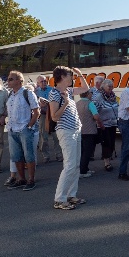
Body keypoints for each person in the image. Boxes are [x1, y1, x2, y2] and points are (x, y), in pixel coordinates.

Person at [49, 66, 89, 210]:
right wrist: (65, 102)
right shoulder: (54, 93)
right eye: (70, 75)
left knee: (76, 165)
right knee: (70, 165)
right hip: (66, 132)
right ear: (61, 77)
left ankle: (71, 195)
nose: (72, 77)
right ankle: (59, 199)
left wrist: (80, 74)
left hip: (75, 130)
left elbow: (85, 88)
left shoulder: (69, 91)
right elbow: (54, 116)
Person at [5, 71, 40, 191]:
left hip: (24, 129)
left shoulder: (27, 93)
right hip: (12, 129)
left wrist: (29, 126)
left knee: (29, 155)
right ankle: (21, 179)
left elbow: (36, 112)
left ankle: (31, 180)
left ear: (19, 81)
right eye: (8, 79)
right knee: (16, 156)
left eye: (11, 79)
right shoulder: (10, 95)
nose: (8, 81)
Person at [93, 79, 119, 172]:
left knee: (112, 142)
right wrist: (99, 122)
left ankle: (108, 158)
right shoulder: (99, 97)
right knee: (106, 143)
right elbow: (94, 110)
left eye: (112, 86)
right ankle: (107, 162)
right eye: (109, 86)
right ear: (103, 87)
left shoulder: (113, 96)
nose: (111, 88)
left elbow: (117, 106)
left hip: (113, 123)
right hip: (104, 124)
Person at [35, 75, 62, 163]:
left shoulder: (52, 90)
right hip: (42, 115)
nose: (44, 83)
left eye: (45, 81)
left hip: (53, 114)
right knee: (44, 137)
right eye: (41, 82)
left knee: (56, 136)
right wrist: (40, 105)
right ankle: (46, 156)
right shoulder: (35, 92)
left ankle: (59, 155)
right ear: (38, 83)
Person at [77, 90, 103, 178]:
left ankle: (84, 168)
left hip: (80, 130)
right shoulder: (90, 103)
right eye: (91, 93)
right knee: (87, 151)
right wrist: (100, 123)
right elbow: (96, 116)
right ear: (88, 94)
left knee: (82, 151)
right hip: (89, 130)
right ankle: (83, 171)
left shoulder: (77, 103)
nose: (92, 94)